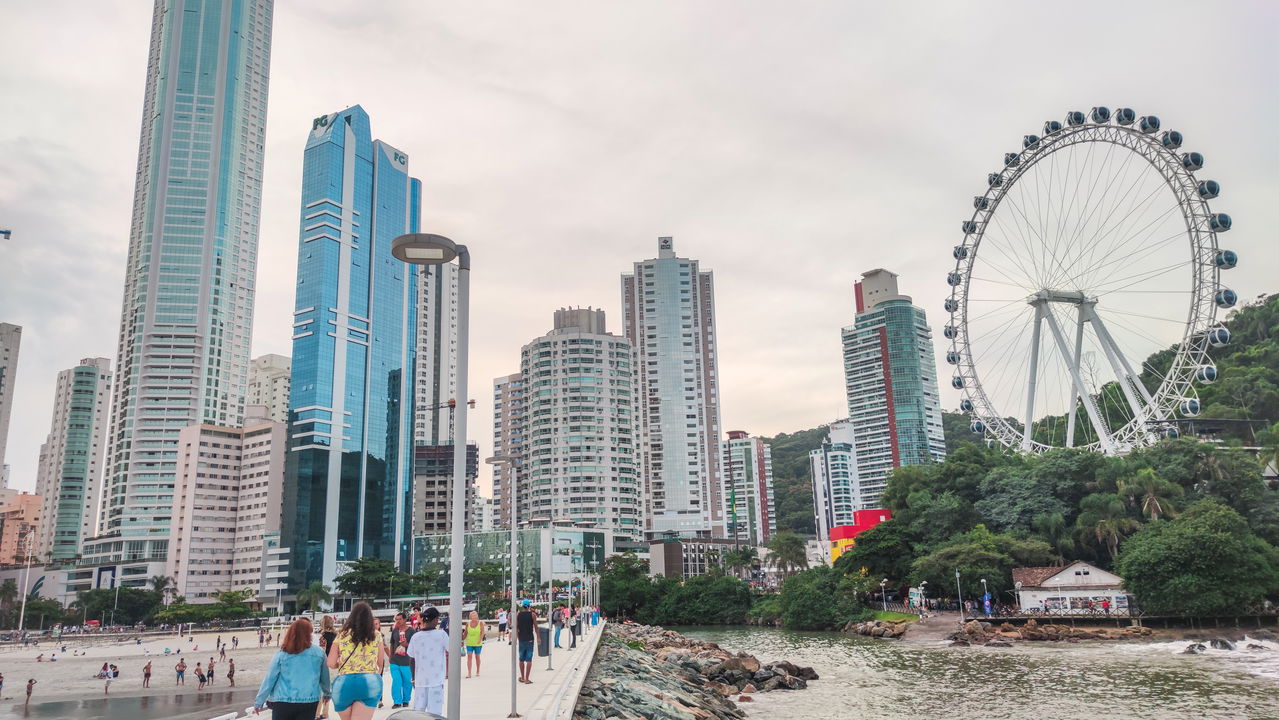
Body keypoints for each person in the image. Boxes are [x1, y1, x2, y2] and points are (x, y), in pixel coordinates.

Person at [253, 617, 331, 720]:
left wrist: (259, 702)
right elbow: (325, 677)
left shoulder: (282, 653)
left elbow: (269, 679)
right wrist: (327, 694)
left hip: (282, 700)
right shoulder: (319, 653)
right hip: (309, 701)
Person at [327, 601, 386, 720]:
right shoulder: (376, 635)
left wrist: (346, 664)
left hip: (344, 682)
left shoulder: (341, 635)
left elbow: (331, 663)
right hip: (369, 681)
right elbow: (380, 664)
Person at [405, 606, 447, 715]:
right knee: (435, 714)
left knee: (418, 713)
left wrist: (413, 679)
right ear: (436, 620)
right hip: (436, 681)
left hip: (420, 681)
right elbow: (452, 650)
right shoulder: (441, 635)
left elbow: (411, 659)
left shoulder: (416, 636)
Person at [388, 612, 414, 709]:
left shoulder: (411, 631)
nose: (397, 621)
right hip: (395, 661)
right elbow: (391, 643)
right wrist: (390, 656)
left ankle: (406, 700)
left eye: (399, 619)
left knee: (407, 682)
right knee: (396, 681)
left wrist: (406, 645)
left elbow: (415, 646)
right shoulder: (395, 630)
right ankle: (397, 701)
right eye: (396, 619)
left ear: (404, 619)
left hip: (407, 661)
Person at [316, 615, 338, 719]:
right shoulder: (336, 636)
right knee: (328, 689)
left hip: (325, 665)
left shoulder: (323, 637)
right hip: (334, 665)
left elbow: (322, 652)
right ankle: (325, 712)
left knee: (321, 689)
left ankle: (317, 713)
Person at [515, 599, 537, 684]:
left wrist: (517, 638)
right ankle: (527, 679)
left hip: (522, 639)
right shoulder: (532, 614)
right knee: (529, 660)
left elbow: (516, 628)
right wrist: (538, 637)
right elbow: (536, 627)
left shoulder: (518, 614)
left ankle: (523, 677)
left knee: (521, 659)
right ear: (529, 606)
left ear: (522, 605)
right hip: (530, 639)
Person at [464, 610, 484, 678]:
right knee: (469, 656)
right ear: (470, 617)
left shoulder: (480, 623)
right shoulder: (468, 623)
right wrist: (461, 639)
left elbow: (482, 632)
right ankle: (469, 673)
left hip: (478, 643)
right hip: (469, 642)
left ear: (477, 616)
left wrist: (480, 639)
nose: (474, 617)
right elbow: (465, 633)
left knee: (477, 657)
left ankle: (478, 670)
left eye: (475, 616)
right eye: (472, 616)